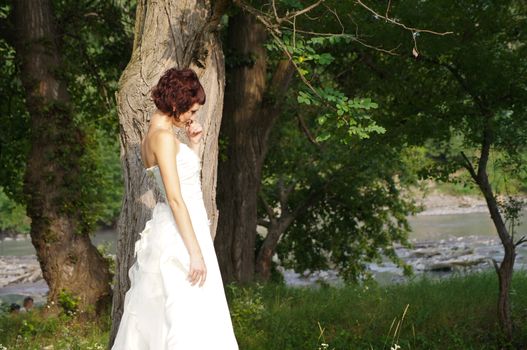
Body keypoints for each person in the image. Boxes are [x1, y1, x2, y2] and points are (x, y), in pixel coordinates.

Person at [111, 68, 239, 349]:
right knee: (184, 315)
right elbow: (175, 197)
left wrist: (193, 145)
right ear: (174, 104)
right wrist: (194, 253)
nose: (193, 117)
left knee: (179, 314)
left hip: (182, 227)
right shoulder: (163, 138)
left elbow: (184, 179)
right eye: (191, 111)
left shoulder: (156, 136)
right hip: (182, 234)